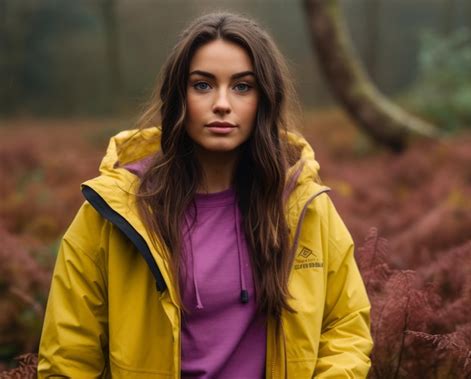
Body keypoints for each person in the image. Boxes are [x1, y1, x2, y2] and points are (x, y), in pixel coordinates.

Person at [37, 12, 373, 379]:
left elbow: (346, 326)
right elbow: (66, 359)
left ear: (265, 100)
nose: (222, 104)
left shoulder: (304, 207)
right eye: (203, 85)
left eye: (242, 86)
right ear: (178, 96)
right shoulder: (112, 213)